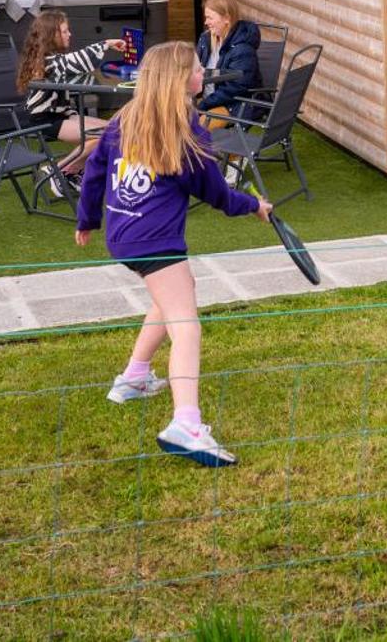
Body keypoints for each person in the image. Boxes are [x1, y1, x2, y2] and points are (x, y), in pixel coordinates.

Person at [75, 40, 271, 468]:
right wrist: (254, 205)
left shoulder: (125, 118)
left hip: (123, 236)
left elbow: (93, 172)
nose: (204, 73)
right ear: (181, 79)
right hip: (156, 241)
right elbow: (215, 192)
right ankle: (186, 424)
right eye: (199, 68)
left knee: (174, 296)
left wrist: (86, 219)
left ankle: (135, 376)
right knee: (188, 326)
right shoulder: (188, 127)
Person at [16, 9, 122, 179]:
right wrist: (107, 43)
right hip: (46, 120)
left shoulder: (48, 58)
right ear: (51, 35)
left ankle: (73, 172)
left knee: (115, 130)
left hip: (63, 115)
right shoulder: (48, 62)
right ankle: (57, 173)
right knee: (106, 137)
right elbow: (75, 61)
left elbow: (71, 64)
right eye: (64, 31)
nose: (69, 34)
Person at [195, 0, 264, 124]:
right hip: (206, 99)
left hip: (232, 104)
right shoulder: (205, 40)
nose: (206, 22)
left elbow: (235, 88)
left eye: (210, 18)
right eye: (206, 17)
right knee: (170, 116)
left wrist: (202, 105)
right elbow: (194, 70)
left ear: (226, 18)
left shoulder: (243, 49)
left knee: (197, 127)